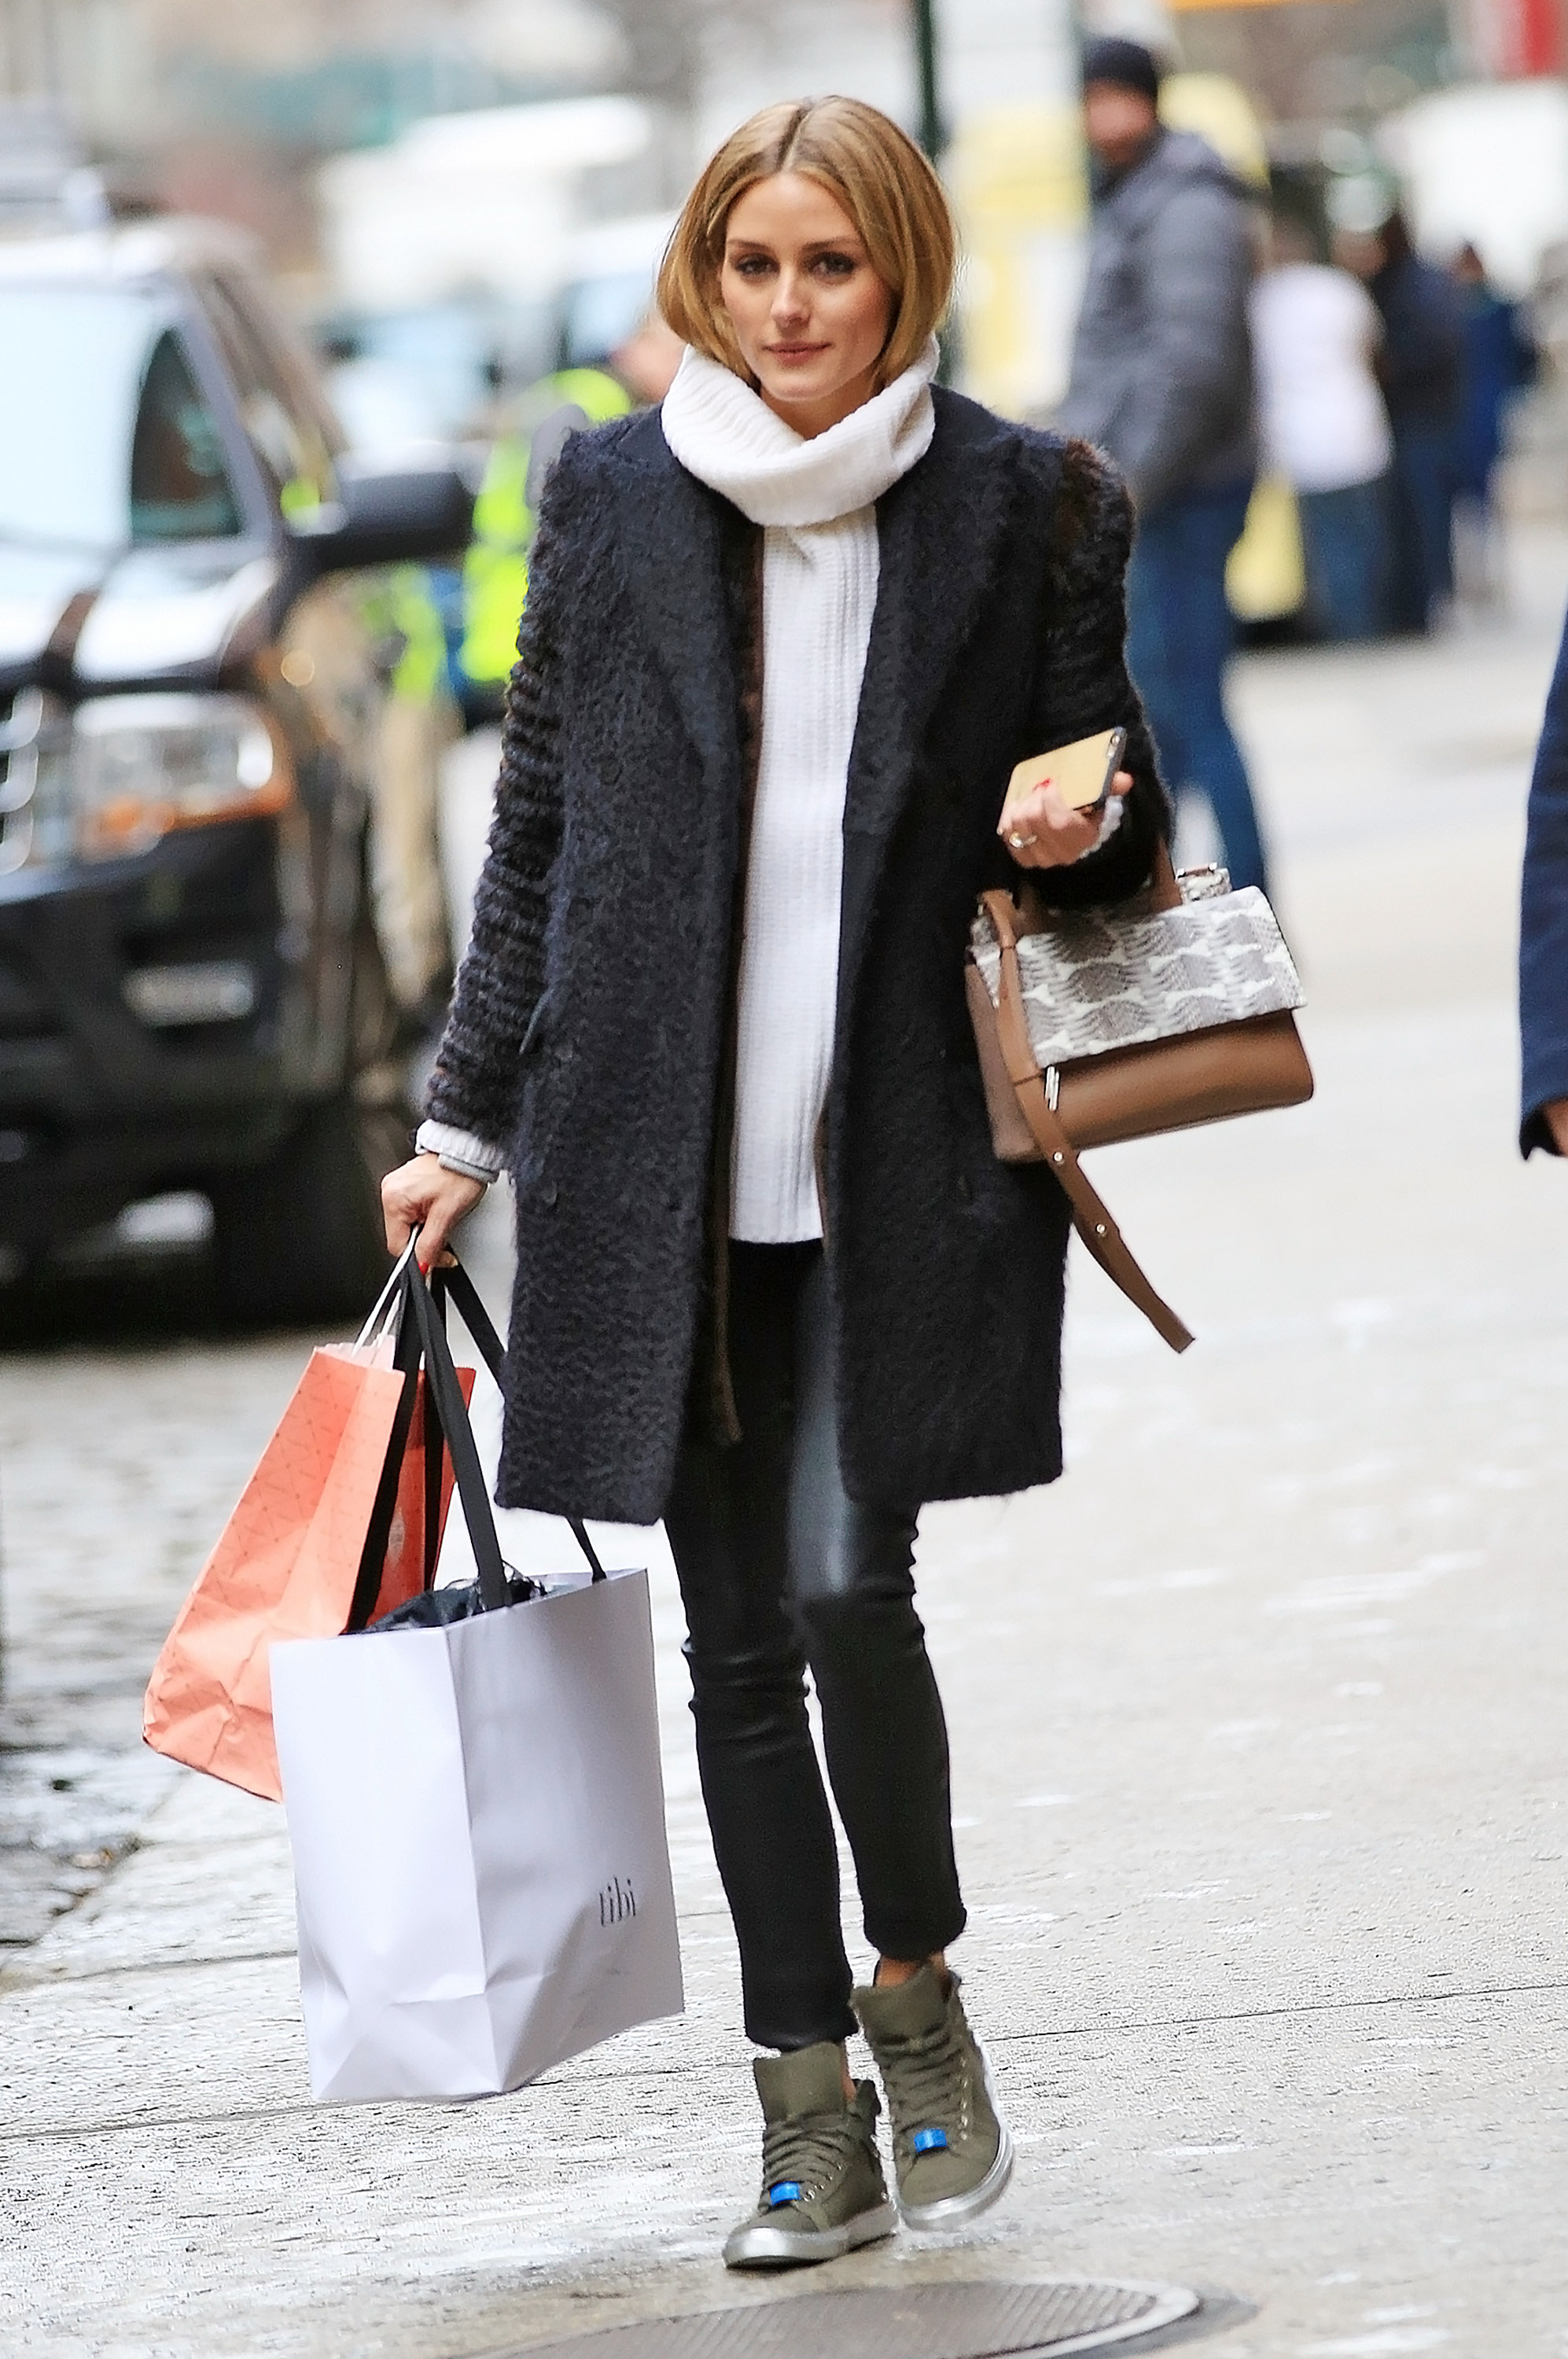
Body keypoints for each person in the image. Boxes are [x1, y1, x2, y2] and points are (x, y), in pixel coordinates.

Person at [379, 95, 1169, 2271]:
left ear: (899, 271)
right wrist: (458, 1126)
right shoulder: (615, 501)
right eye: (755, 269)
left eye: (831, 267)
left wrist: (1078, 822)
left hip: (905, 1160)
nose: (793, 308)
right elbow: (533, 826)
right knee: (731, 1651)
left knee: (844, 1589)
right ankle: (799, 2107)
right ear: (703, 283)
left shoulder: (1024, 503)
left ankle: (916, 1999)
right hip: (658, 1168)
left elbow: (1106, 788)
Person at [1058, 35, 1267, 893]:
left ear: (1151, 100)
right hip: (1163, 490)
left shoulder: (1182, 204)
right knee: (1170, 716)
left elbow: (1190, 365)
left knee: (1187, 709)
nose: (1104, 116)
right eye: (1092, 98)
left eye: (1119, 97)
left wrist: (1128, 486)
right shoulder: (1140, 196)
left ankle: (1240, 902)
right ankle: (1166, 896)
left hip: (1178, 494)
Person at [1250, 214, 1392, 642]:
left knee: (1325, 544)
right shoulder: (1340, 289)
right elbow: (1370, 349)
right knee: (1365, 537)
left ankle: (1344, 628)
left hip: (1302, 437)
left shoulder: (1263, 300)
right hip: (1356, 428)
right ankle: (1368, 621)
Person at [1343, 208, 1463, 634]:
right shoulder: (1403, 281)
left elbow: (1439, 347)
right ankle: (1413, 606)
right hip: (1412, 417)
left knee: (1422, 514)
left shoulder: (1418, 285)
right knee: (1409, 517)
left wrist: (1393, 366)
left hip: (1422, 417)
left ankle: (1423, 606)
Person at [1450, 241, 1534, 605]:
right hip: (1472, 409)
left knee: (1481, 498)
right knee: (1473, 500)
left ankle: (1486, 577)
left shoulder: (1490, 308)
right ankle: (1476, 577)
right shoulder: (1473, 308)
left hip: (1480, 409)